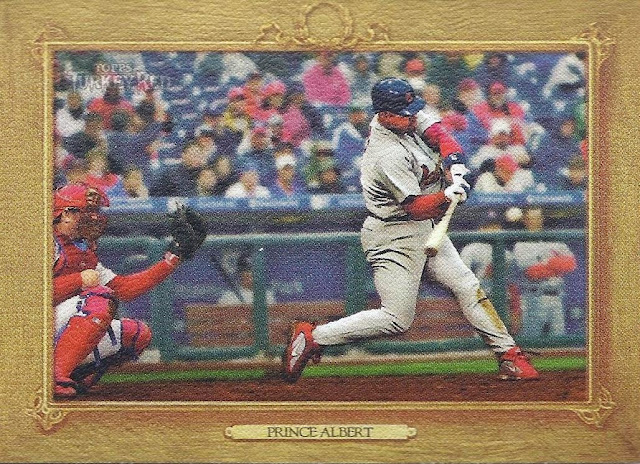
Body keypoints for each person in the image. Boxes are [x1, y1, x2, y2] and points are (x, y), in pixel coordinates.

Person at [283, 78, 539, 383]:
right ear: (385, 115)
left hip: (425, 227)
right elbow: (416, 207)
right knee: (396, 319)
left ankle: (509, 355)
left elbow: (441, 135)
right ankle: (313, 337)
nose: (413, 117)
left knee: (467, 285)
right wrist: (448, 196)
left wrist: (455, 166)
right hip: (394, 234)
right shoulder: (386, 154)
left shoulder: (407, 118)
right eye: (404, 114)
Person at [53, 184, 206, 397]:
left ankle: (75, 379)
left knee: (137, 334)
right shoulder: (44, 242)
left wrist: (173, 258)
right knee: (98, 298)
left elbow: (125, 289)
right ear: (64, 214)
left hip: (60, 331)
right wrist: (77, 280)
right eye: (85, 212)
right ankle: (55, 376)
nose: (93, 218)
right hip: (33, 333)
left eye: (94, 212)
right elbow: (27, 296)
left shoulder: (83, 251)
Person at [509, 207, 577, 337]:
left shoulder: (554, 240)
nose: (535, 221)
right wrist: (556, 265)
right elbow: (533, 273)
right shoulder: (521, 245)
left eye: (538, 218)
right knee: (531, 341)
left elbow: (571, 264)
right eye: (531, 218)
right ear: (525, 221)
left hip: (557, 298)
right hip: (533, 298)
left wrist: (547, 265)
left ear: (542, 219)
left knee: (559, 341)